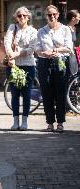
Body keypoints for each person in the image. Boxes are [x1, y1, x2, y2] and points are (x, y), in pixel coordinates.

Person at [36, 5, 73, 133]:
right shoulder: (41, 31)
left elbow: (69, 48)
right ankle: (50, 123)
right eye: (49, 15)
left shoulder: (65, 29)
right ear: (46, 16)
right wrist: (43, 53)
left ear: (57, 15)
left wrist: (55, 50)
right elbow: (37, 49)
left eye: (54, 14)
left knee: (60, 93)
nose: (52, 16)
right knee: (47, 94)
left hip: (60, 62)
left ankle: (60, 123)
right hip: (44, 63)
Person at [3, 7, 38, 131]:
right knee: (14, 94)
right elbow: (7, 42)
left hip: (28, 66)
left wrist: (18, 54)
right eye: (19, 16)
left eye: (24, 15)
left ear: (28, 17)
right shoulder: (12, 28)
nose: (21, 17)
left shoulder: (33, 31)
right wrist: (10, 55)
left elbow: (32, 49)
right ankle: (15, 121)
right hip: (13, 65)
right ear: (16, 18)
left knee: (26, 94)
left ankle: (25, 121)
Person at [66, 10, 80, 75]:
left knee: (74, 72)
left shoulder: (74, 28)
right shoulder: (66, 29)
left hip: (73, 54)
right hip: (68, 54)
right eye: (78, 17)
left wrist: (76, 48)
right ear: (73, 18)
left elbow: (72, 42)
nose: (79, 19)